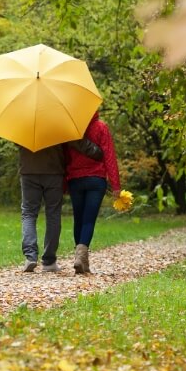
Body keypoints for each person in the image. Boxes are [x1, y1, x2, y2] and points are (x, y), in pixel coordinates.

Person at [19, 139, 102, 273]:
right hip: (54, 171)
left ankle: (30, 257)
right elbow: (75, 141)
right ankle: (49, 261)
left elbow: (18, 141)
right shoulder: (58, 119)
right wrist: (96, 151)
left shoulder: (23, 120)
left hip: (29, 170)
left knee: (29, 213)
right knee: (53, 214)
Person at [66, 112, 121, 275]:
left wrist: (64, 182)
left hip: (75, 179)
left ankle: (82, 261)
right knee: (88, 220)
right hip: (96, 180)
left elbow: (65, 158)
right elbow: (109, 157)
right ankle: (81, 259)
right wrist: (116, 185)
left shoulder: (71, 130)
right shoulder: (101, 127)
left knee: (79, 219)